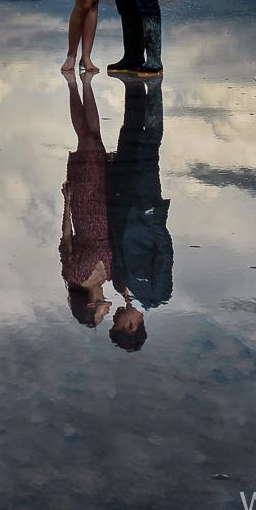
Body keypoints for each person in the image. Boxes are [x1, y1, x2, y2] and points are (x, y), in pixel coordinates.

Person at [106, 76, 171, 352]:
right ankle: (155, 86)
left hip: (120, 200)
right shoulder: (158, 294)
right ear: (132, 326)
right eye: (117, 324)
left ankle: (132, 84)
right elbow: (165, 252)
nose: (113, 318)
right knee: (148, 146)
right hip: (144, 202)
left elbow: (114, 240)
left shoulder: (119, 284)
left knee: (129, 133)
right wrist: (151, 215)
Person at [59, 74, 113, 328]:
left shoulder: (74, 275)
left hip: (83, 207)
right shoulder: (108, 277)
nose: (106, 313)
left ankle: (74, 84)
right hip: (105, 204)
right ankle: (85, 83)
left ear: (90, 307)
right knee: (96, 139)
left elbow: (66, 239)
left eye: (101, 316)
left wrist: (67, 201)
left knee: (87, 141)